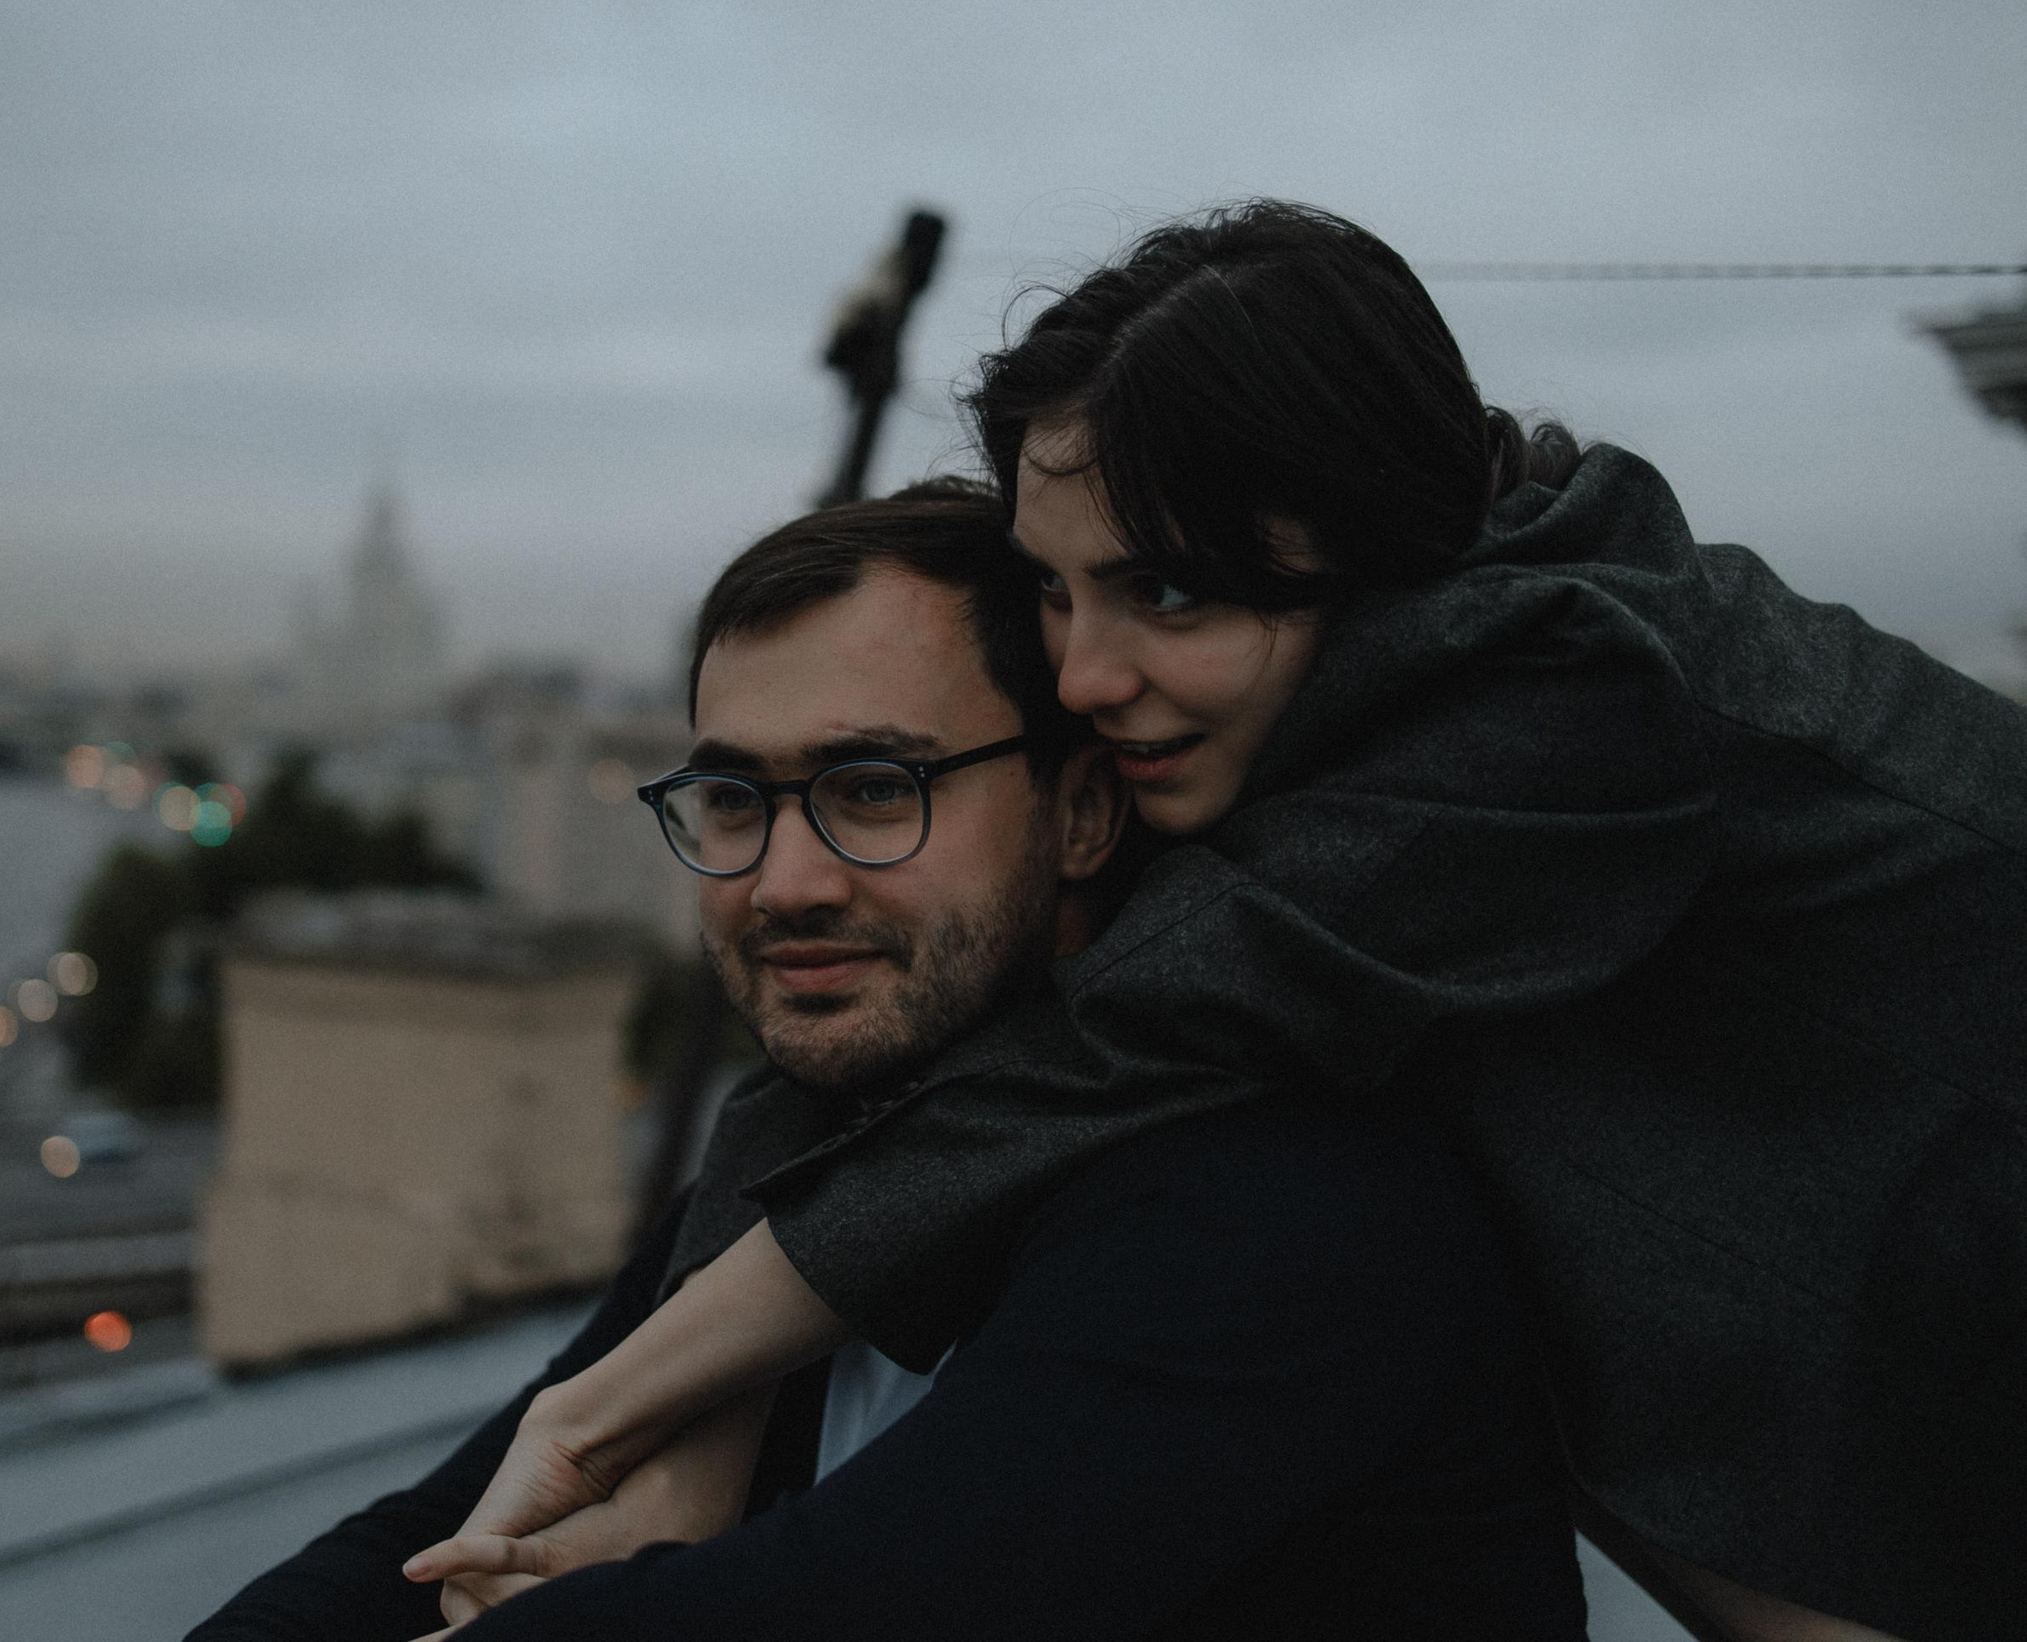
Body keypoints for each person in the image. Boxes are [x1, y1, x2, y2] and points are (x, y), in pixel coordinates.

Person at [426, 204, 2027, 1642]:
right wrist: (683, 1407)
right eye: (1055, 590)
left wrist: (635, 1404)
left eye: (1169, 594)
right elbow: (890, 1043)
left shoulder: (1573, 694)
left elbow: (1115, 1040)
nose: (1083, 677)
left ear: (1384, 550)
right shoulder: (1309, 710)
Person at [189, 485, 1586, 1640]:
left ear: (1085, 812)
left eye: (874, 789)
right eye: (735, 800)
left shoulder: (1277, 1205)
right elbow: (439, 1529)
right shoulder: (812, 1162)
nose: (782, 881)